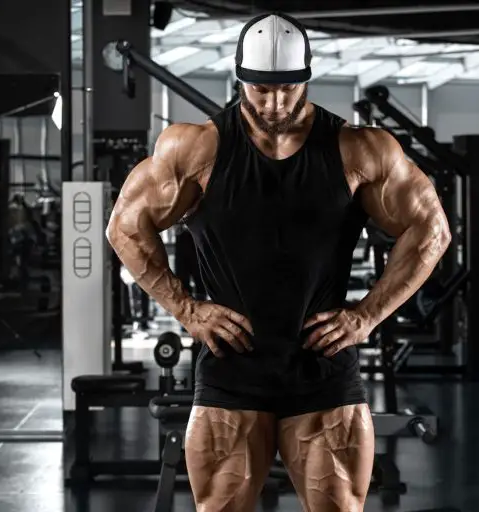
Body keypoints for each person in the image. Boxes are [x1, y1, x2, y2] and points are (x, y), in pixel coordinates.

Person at [106, 11, 451, 512]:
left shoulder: (358, 150)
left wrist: (367, 315)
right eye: (260, 90)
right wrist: (187, 310)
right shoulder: (196, 147)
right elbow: (125, 226)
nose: (273, 103)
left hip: (323, 368)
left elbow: (431, 229)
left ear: (306, 78)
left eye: (287, 89)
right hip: (232, 369)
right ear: (240, 79)